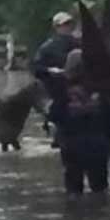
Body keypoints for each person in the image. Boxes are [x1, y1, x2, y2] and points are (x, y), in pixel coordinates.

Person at [48, 50, 110, 196]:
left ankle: (76, 216)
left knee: (73, 191)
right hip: (97, 143)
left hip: (72, 144)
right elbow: (109, 120)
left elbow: (54, 116)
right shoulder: (100, 87)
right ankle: (102, 216)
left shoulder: (62, 90)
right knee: (100, 189)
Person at [32, 12, 81, 147]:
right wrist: (50, 70)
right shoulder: (47, 47)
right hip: (57, 88)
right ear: (57, 27)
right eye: (64, 25)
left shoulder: (79, 44)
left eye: (69, 24)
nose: (67, 27)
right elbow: (36, 68)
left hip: (79, 87)